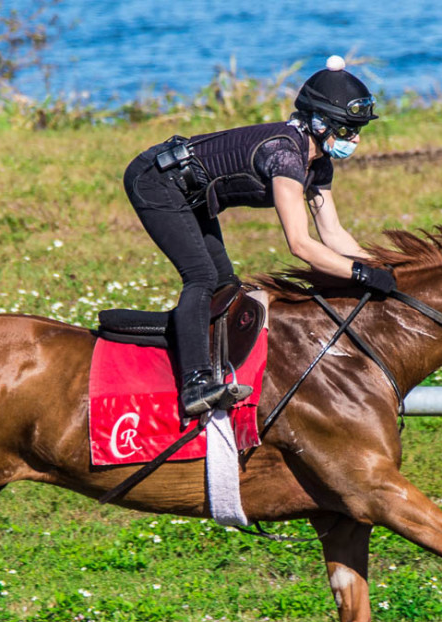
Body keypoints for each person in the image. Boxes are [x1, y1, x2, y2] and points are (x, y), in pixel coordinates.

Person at [123, 55, 397, 417]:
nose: (356, 139)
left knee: (226, 286)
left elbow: (333, 234)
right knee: (202, 278)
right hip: (156, 180)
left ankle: (182, 342)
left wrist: (383, 269)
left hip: (192, 192)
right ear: (319, 123)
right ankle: (194, 385)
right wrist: (359, 275)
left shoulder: (318, 162)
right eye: (347, 129)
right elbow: (300, 244)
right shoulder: (284, 155)